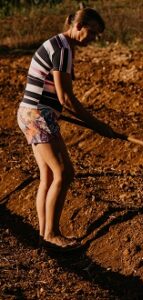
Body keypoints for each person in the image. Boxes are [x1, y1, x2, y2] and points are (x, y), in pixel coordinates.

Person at [17, 8, 114, 249]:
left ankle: (44, 235)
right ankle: (52, 234)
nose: (93, 38)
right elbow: (66, 98)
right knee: (64, 173)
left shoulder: (60, 45)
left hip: (31, 113)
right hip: (38, 115)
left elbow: (59, 98)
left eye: (97, 35)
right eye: (91, 32)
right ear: (78, 26)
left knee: (48, 176)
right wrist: (98, 125)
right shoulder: (62, 49)